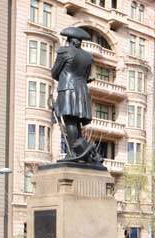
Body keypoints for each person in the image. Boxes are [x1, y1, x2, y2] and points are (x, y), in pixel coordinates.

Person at [51, 26, 102, 164]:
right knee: (76, 122)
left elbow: (55, 72)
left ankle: (75, 151)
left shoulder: (64, 51)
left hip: (67, 88)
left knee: (70, 121)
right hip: (81, 90)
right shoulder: (88, 57)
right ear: (79, 42)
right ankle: (79, 151)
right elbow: (85, 76)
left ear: (70, 41)